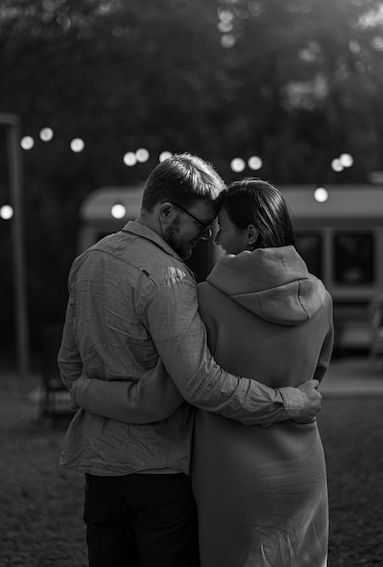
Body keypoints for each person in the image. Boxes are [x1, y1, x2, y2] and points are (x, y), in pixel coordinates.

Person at [57, 156, 324, 567]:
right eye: (201, 226)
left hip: (100, 469)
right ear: (166, 212)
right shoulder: (171, 278)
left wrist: (87, 392)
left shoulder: (87, 261)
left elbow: (69, 368)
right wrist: (290, 402)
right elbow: (199, 384)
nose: (205, 239)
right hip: (160, 470)